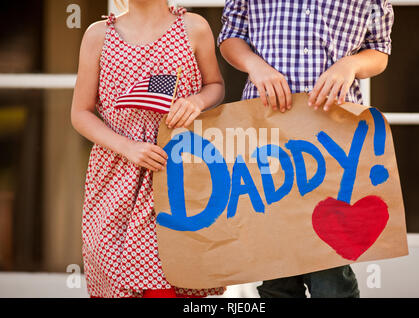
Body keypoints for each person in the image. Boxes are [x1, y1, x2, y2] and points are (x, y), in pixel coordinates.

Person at [218, 0, 394, 298]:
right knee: (276, 272)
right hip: (267, 134)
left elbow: (379, 49)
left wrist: (350, 64)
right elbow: (231, 37)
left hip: (335, 138)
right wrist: (256, 66)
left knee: (330, 269)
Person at [71, 0, 225, 298]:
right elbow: (80, 112)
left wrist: (197, 102)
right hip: (116, 175)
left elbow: (215, 84)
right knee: (113, 270)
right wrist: (127, 147)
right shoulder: (98, 34)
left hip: (177, 171)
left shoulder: (194, 27)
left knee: (171, 277)